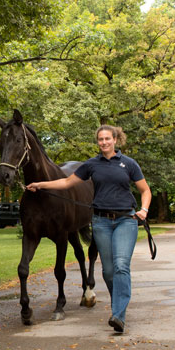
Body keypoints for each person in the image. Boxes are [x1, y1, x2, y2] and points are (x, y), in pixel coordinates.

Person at [26, 125, 151, 333]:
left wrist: (144, 209)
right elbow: (66, 182)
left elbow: (145, 190)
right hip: (101, 222)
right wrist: (40, 184)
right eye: (100, 139)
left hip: (125, 220)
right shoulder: (91, 165)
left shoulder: (128, 164)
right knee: (109, 271)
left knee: (121, 265)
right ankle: (118, 303)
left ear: (115, 139)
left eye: (107, 139)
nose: (104, 142)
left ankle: (118, 314)